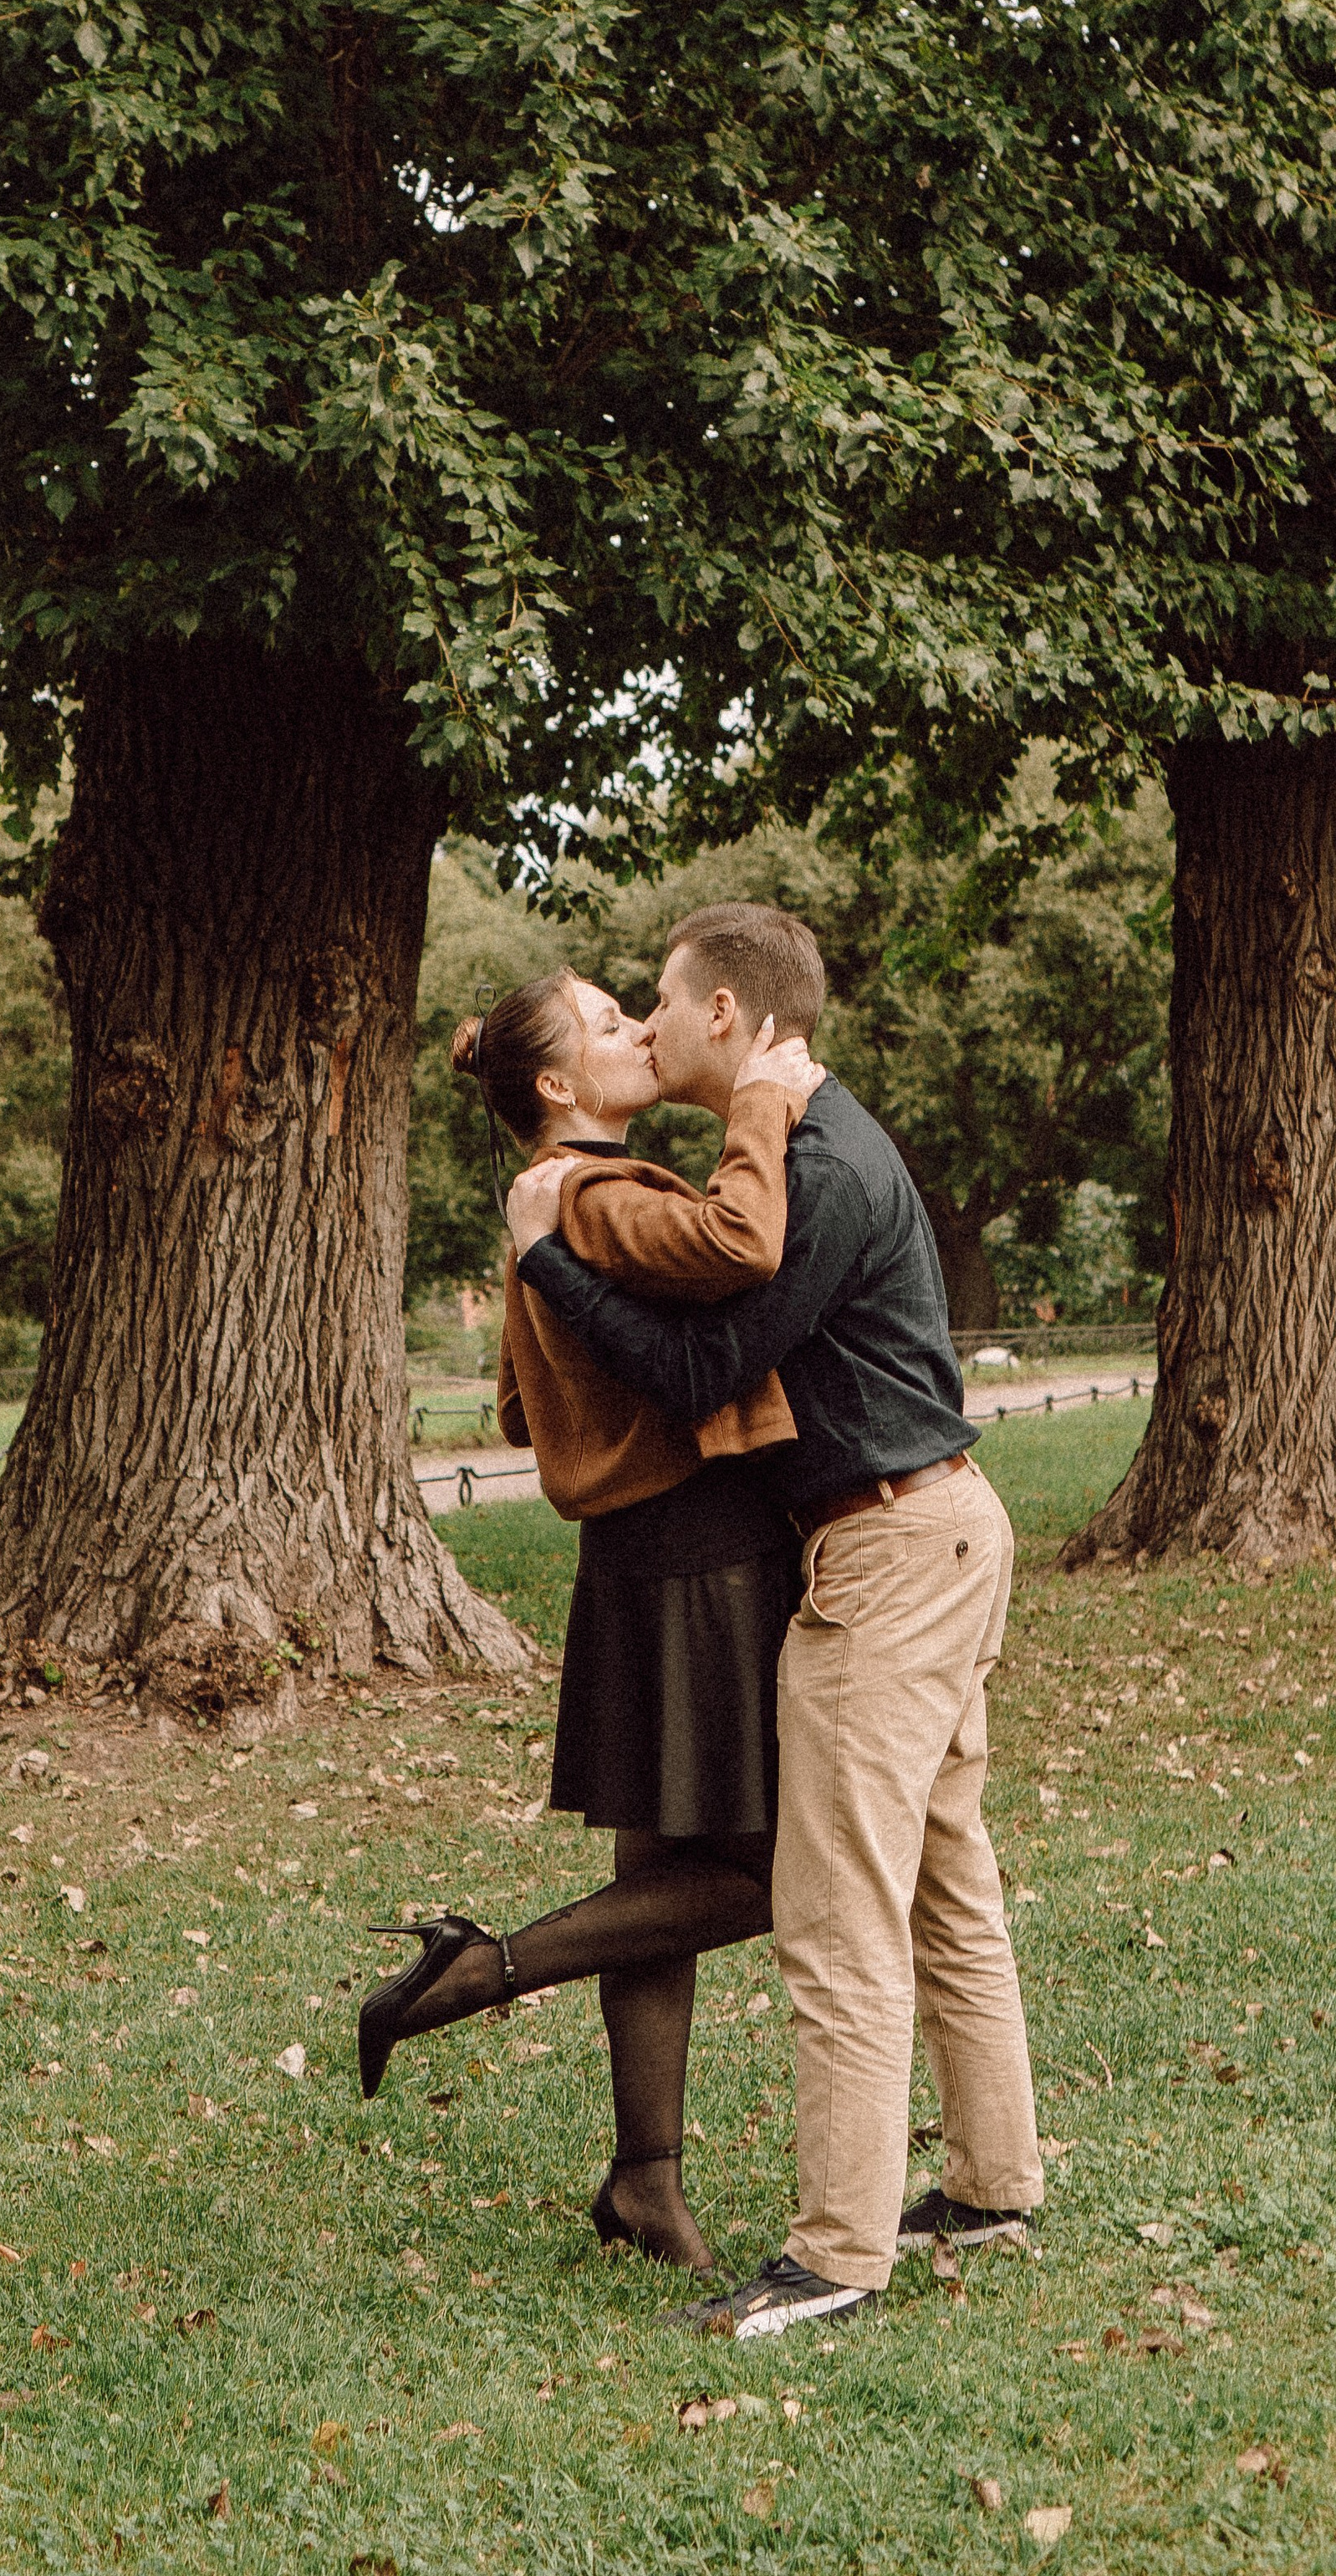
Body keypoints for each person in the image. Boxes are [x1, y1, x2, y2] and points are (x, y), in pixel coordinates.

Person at [510, 901, 1046, 2340]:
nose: (649, 1024)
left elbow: (702, 1372)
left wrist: (546, 1255)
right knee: (943, 1880)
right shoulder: (819, 1136)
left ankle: (835, 2256)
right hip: (936, 1529)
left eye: (662, 1002)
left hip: (889, 1555)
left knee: (837, 1915)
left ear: (727, 1016)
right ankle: (992, 2187)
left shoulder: (812, 1162)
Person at [356, 963, 818, 2277]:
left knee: (656, 1883)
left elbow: (521, 1406)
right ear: (560, 1084)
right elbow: (744, 1244)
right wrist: (765, 1104)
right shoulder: (601, 1193)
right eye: (613, 1024)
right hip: (700, 1558)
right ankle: (481, 1967)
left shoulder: (545, 1204)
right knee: (764, 1877)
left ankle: (644, 2180)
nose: (642, 1031)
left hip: (630, 1562)